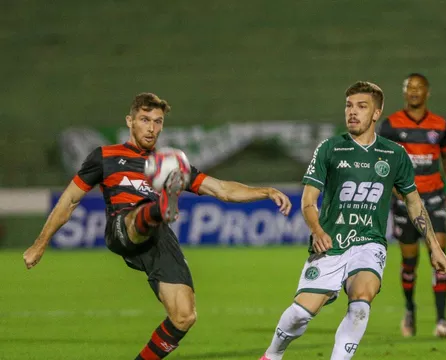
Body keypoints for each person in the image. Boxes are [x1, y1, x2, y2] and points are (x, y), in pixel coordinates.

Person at [22, 93, 292, 360]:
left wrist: (266, 191)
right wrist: (40, 244)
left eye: (158, 121)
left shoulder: (170, 164)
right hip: (122, 226)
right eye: (144, 119)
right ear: (130, 121)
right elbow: (68, 200)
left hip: (159, 236)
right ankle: (159, 208)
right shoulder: (105, 156)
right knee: (138, 216)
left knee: (184, 316)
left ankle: (160, 209)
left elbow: (222, 189)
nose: (151, 128)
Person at [259, 81, 446, 360]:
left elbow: (413, 202)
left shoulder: (394, 155)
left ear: (376, 113)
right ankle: (272, 355)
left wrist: (434, 246)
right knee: (300, 314)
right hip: (331, 244)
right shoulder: (330, 149)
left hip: (369, 245)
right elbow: (308, 200)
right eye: (349, 106)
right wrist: (316, 229)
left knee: (361, 302)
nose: (352, 112)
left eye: (362, 106)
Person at [377, 73, 446, 338]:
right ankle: (410, 309)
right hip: (404, 202)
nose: (414, 92)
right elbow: (382, 164)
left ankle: (442, 321)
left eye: (418, 88)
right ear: (404, 92)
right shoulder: (390, 126)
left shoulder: (440, 125)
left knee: (440, 255)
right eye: (409, 88)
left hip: (434, 197)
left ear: (427, 92)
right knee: (409, 261)